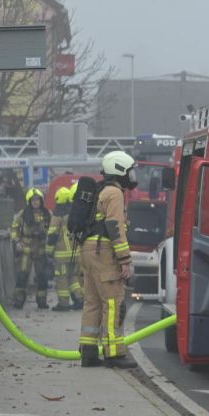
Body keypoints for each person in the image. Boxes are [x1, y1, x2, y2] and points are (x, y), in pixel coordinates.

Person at [79, 151, 136, 368]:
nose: (132, 176)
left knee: (92, 303)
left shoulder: (101, 190)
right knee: (113, 303)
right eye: (129, 171)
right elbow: (115, 227)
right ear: (120, 170)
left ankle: (88, 352)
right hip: (103, 252)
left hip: (89, 249)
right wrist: (125, 260)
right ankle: (114, 354)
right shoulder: (115, 193)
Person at [10, 188, 52, 309]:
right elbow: (14, 228)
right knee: (22, 275)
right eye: (33, 200)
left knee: (42, 276)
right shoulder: (23, 214)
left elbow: (53, 228)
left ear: (41, 200)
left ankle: (42, 301)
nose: (35, 202)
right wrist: (17, 241)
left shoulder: (47, 213)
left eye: (37, 199)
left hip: (41, 248)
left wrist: (49, 242)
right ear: (29, 201)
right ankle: (18, 300)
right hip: (26, 249)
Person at [46, 185, 84, 312]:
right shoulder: (75, 214)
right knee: (73, 277)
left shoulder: (57, 215)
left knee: (61, 278)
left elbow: (52, 235)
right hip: (76, 253)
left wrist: (48, 252)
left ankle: (63, 304)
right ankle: (79, 299)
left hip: (62, 255)